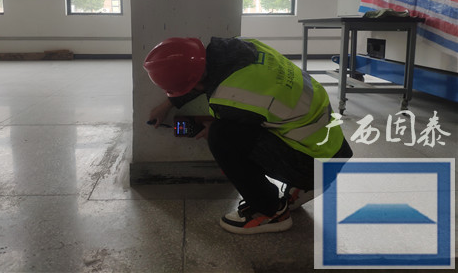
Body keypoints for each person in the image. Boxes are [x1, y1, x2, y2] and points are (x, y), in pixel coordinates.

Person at [144, 37, 353, 235]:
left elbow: (230, 129)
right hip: (332, 147)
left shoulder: (230, 98)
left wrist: (210, 131)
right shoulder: (241, 45)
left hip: (312, 165)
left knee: (221, 136)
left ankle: (270, 211)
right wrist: (168, 104)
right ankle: (302, 187)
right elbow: (203, 78)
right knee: (239, 129)